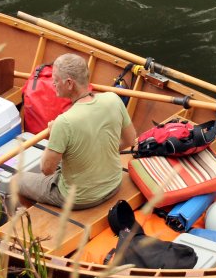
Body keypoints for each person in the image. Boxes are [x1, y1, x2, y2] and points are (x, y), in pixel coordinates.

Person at [17, 53, 136, 209]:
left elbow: (46, 169)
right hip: (114, 184)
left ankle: (38, 215)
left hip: (80, 199)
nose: (53, 83)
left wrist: (54, 136)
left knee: (17, 182)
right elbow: (130, 140)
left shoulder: (63, 122)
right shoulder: (113, 99)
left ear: (69, 83)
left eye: (56, 79)